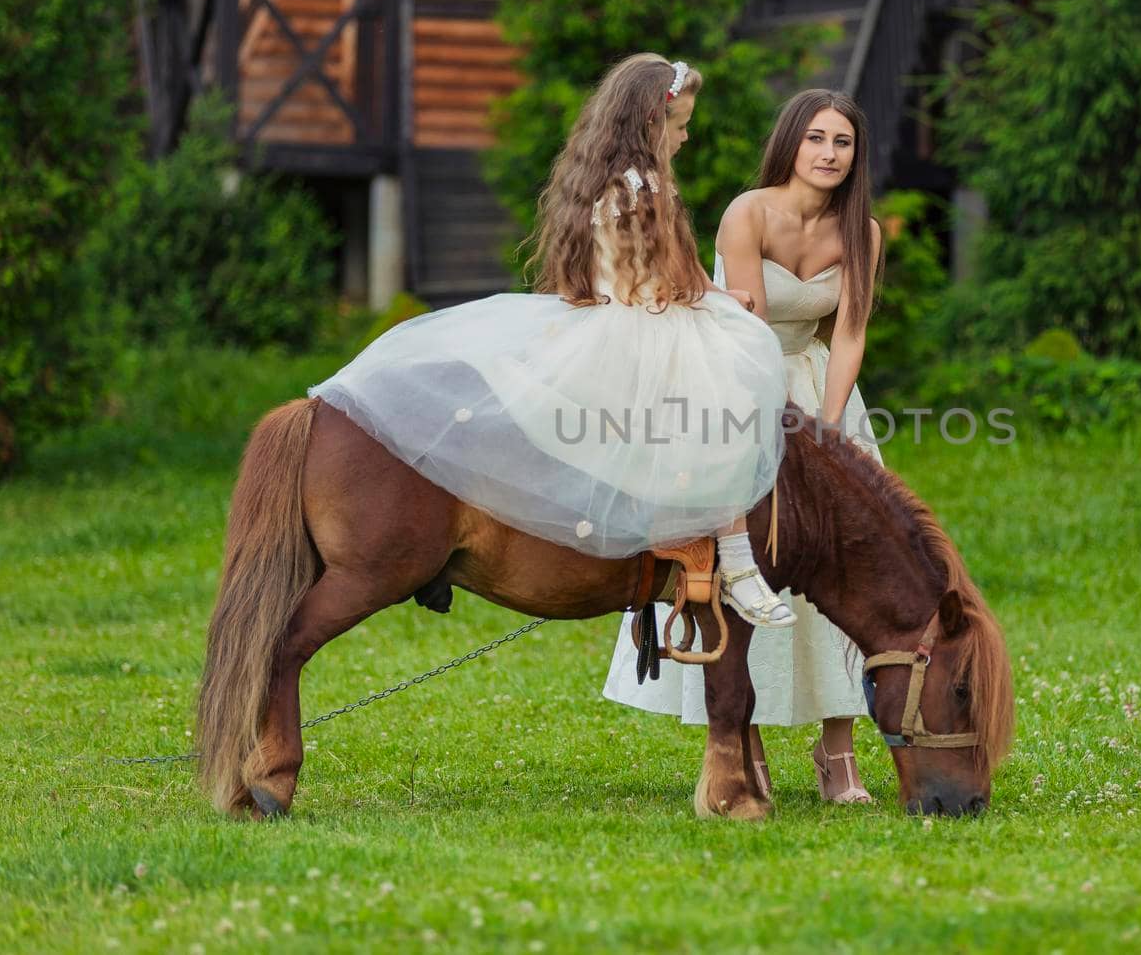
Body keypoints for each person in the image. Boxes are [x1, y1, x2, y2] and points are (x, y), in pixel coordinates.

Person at [309, 53, 795, 626]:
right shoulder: (644, 186)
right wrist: (715, 301)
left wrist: (711, 293)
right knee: (723, 402)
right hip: (643, 324)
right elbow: (659, 279)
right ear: (650, 125)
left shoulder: (605, 182)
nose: (685, 137)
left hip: (611, 315)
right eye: (680, 124)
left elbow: (640, 270)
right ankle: (734, 557)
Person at [603, 89, 885, 804]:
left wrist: (826, 429)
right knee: (748, 559)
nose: (828, 153)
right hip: (741, 380)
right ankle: (745, 741)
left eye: (842, 142)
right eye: (816, 137)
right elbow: (750, 323)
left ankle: (839, 748)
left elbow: (847, 332)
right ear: (792, 141)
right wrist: (780, 425)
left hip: (821, 390)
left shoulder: (864, 232)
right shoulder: (747, 212)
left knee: (843, 564)